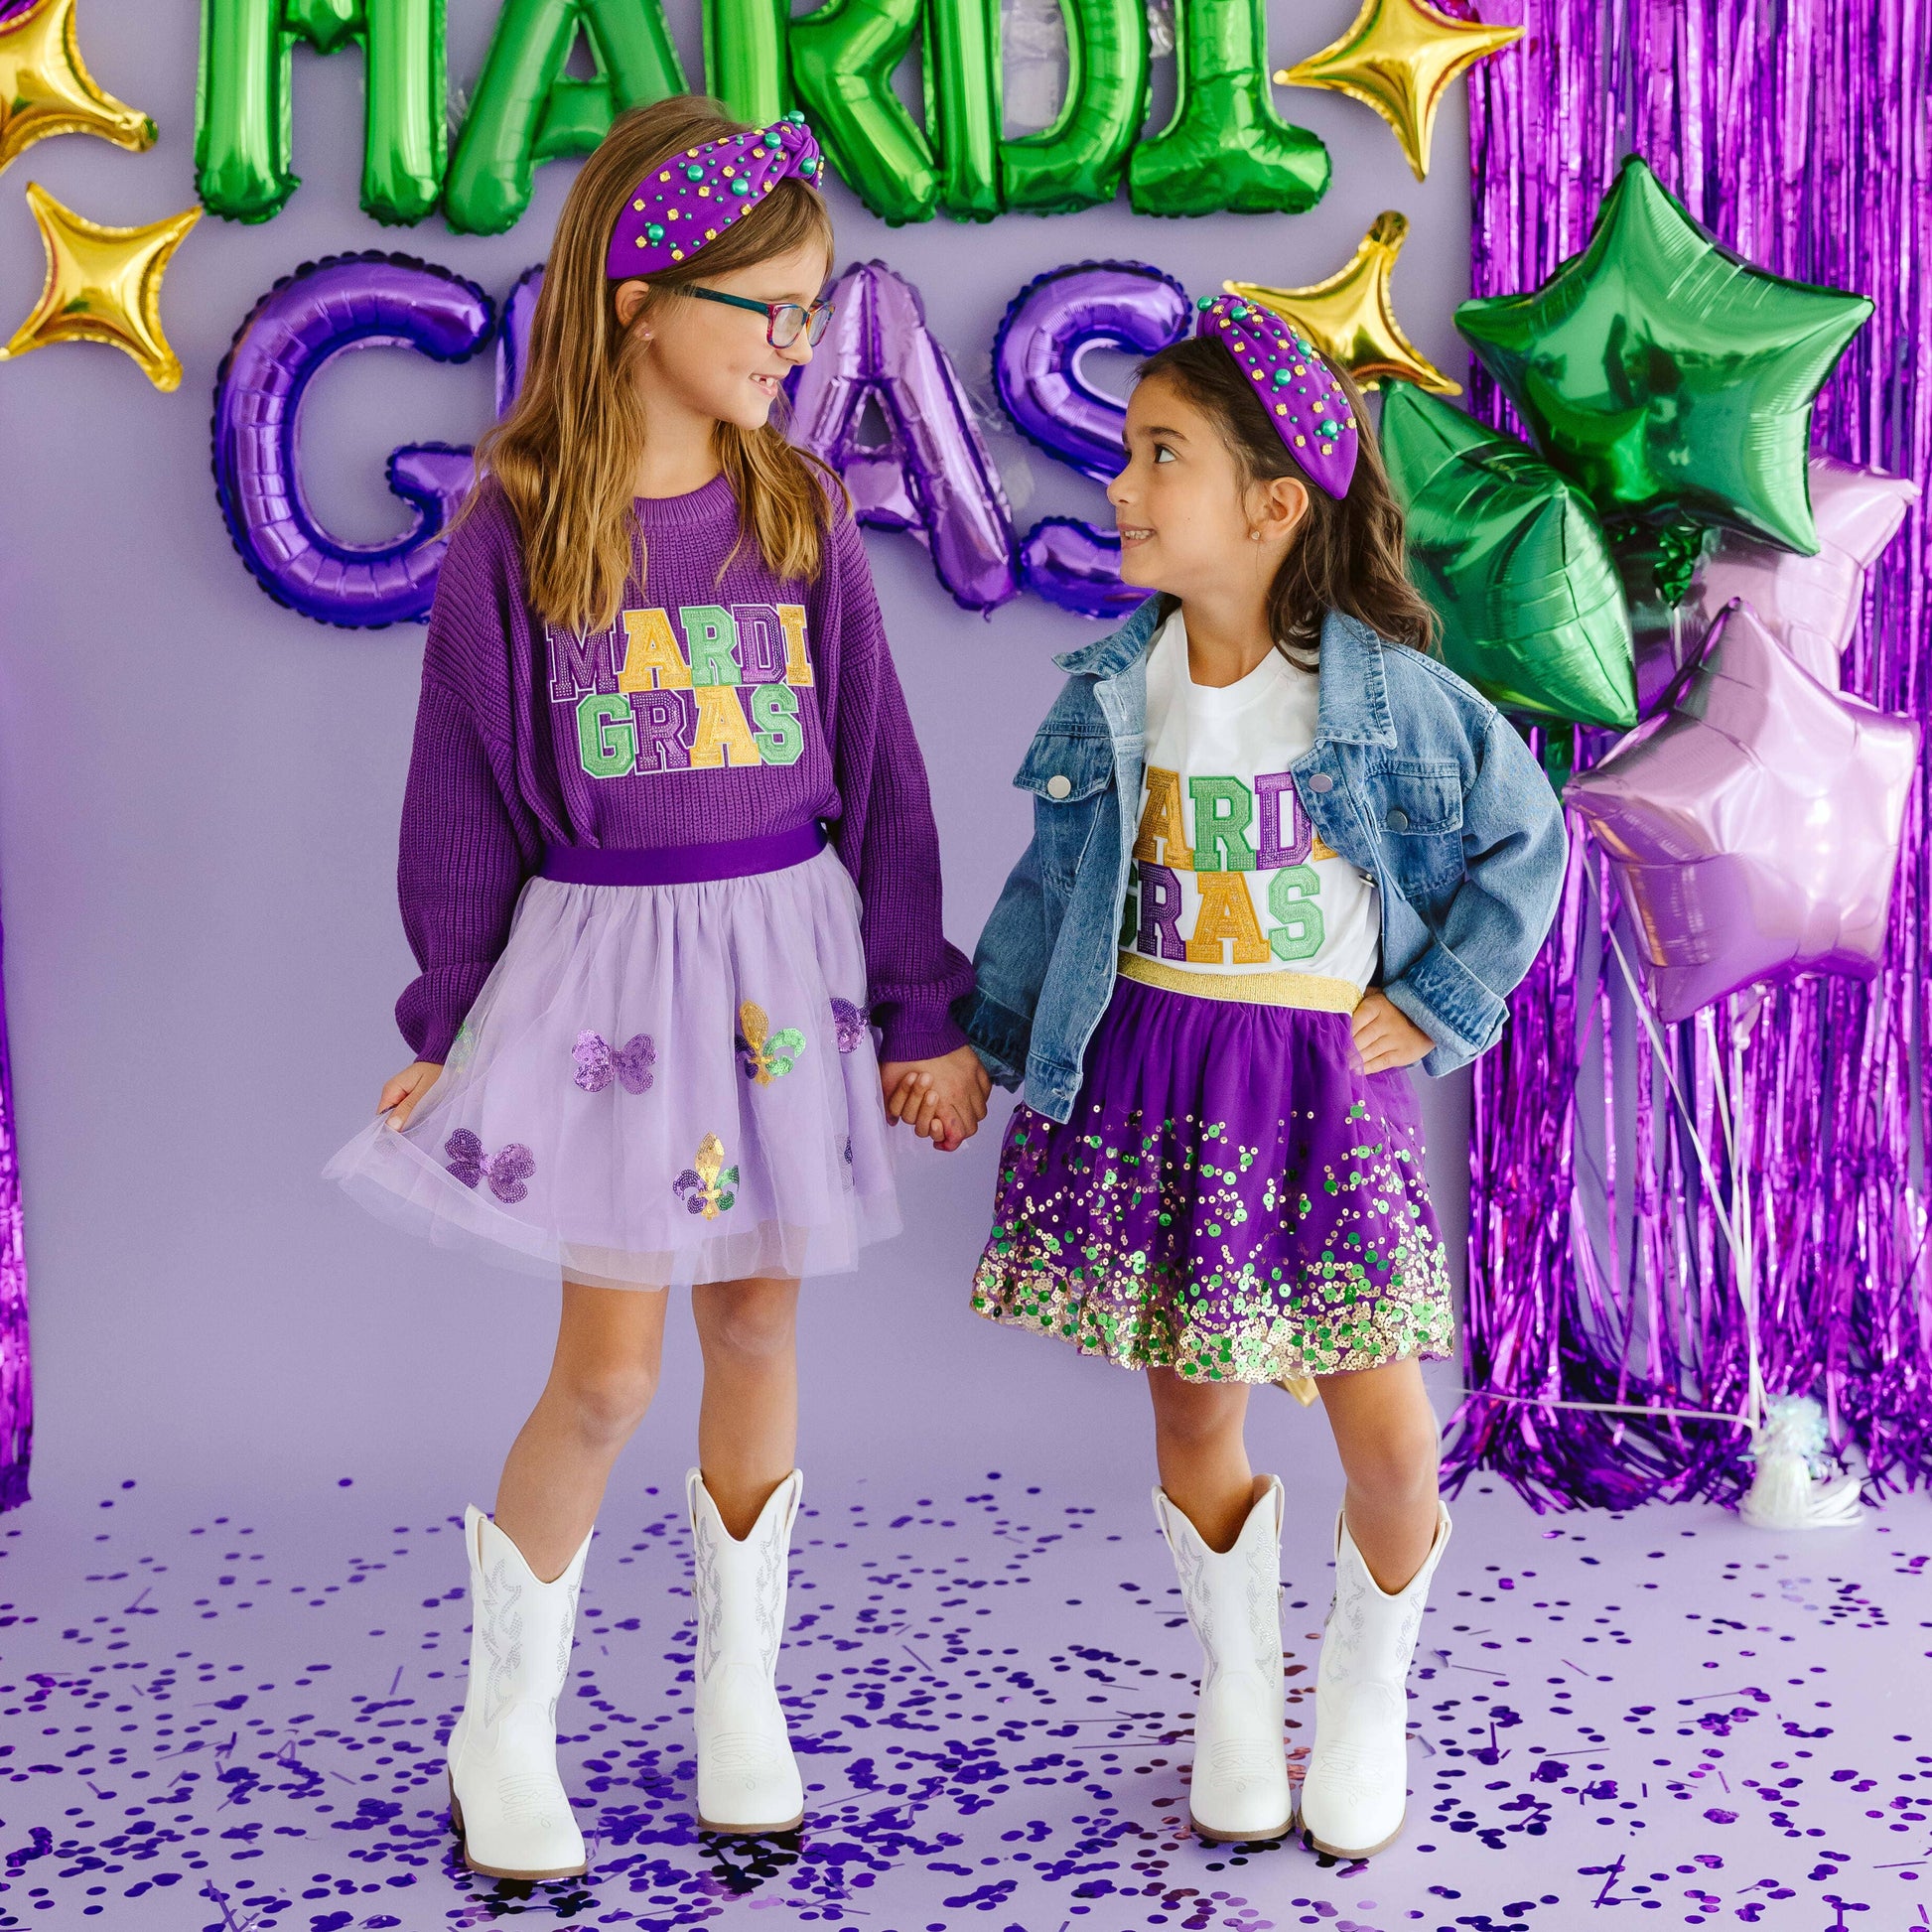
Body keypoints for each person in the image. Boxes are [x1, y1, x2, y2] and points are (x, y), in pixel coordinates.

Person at [325, 99, 989, 1881]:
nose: (797, 343)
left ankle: (739, 1696)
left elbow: (882, 775)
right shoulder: (517, 526)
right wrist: (450, 1025)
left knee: (759, 1328)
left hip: (782, 970)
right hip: (605, 982)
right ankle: (502, 1724)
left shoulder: (800, 505)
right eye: (767, 308)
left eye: (811, 310)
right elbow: (461, 798)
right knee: (609, 1371)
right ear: (637, 298)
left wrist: (922, 1006)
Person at [958, 296, 1566, 1861]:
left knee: (1390, 1429)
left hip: (1313, 1090)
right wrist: (983, 1045)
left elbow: (1528, 834)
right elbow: (1046, 890)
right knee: (1192, 1396)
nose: (1120, 484)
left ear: (1272, 505)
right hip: (1154, 1081)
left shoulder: (1380, 695)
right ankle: (1236, 1688)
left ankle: (1362, 1692)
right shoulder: (1113, 690)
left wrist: (1435, 999)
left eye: (1159, 455)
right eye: (1123, 453)